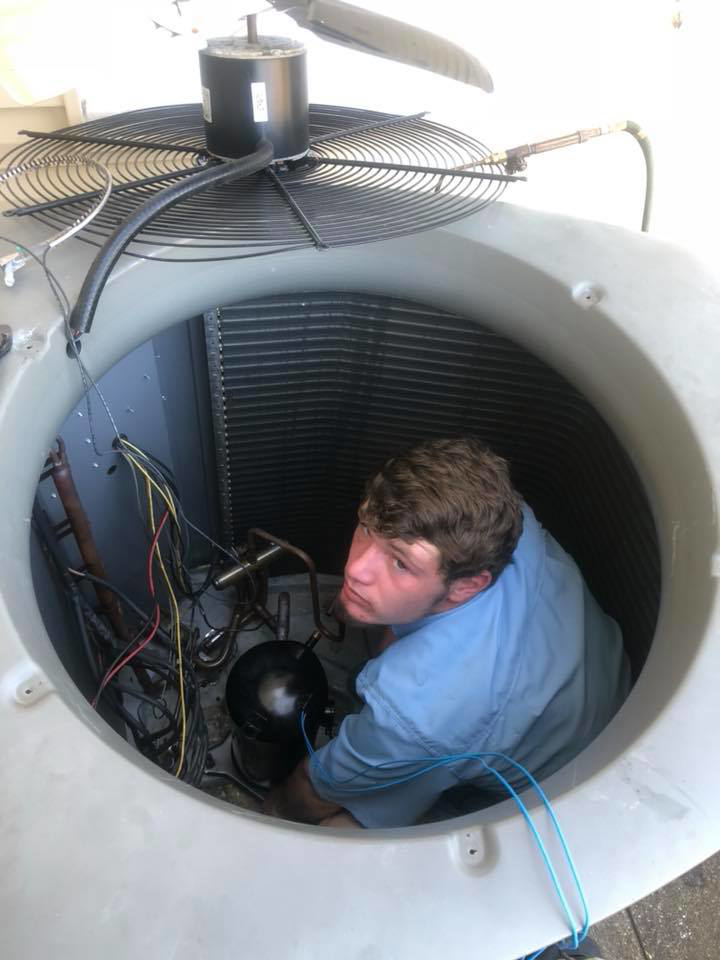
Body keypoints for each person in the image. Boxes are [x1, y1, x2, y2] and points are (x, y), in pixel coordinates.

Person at [263, 437, 630, 829]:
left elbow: (314, 791)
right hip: (600, 679)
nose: (356, 570)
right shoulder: (498, 516)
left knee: (336, 831)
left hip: (564, 792)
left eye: (400, 563)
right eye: (367, 526)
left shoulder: (420, 712)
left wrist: (272, 812)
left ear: (466, 586)